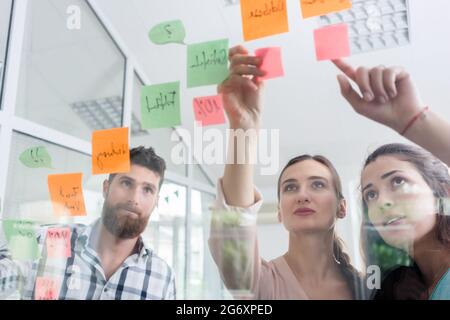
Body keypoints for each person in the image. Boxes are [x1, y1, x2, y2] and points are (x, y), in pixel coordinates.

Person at [208, 45, 365, 300]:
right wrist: (243, 127)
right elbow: (233, 224)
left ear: (342, 207)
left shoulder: (369, 290)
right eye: (290, 187)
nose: (302, 195)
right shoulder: (260, 284)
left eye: (318, 185)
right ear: (280, 211)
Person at [332, 59, 450, 299]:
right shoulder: (395, 290)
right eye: (370, 195)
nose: (381, 202)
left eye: (397, 181)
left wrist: (414, 120)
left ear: (439, 189)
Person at [0, 146, 176, 300]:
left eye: (147, 189)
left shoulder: (163, 277)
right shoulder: (44, 241)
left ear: (156, 201)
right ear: (106, 188)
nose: (134, 199)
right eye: (126, 183)